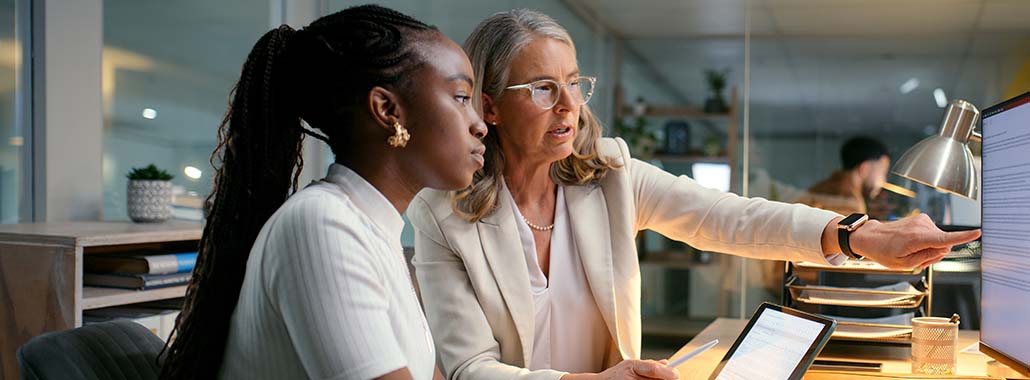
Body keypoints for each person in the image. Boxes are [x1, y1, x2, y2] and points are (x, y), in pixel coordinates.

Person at [406, 9, 980, 380]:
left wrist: (860, 236)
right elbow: (470, 369)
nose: (569, 106)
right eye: (543, 89)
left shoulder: (611, 175)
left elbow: (729, 218)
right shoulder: (441, 215)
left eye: (575, 84)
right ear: (488, 107)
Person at [158, 5, 487, 380]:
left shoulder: (372, 229)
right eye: (461, 97)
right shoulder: (322, 226)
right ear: (387, 110)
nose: (479, 125)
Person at [798, 136, 892, 217]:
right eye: (882, 172)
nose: (884, 180)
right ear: (864, 168)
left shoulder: (823, 187)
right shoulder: (850, 203)